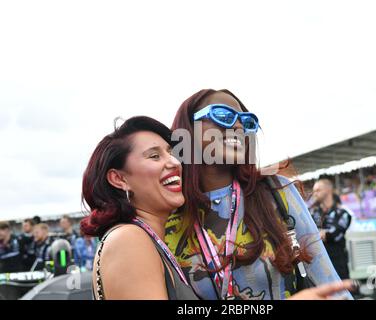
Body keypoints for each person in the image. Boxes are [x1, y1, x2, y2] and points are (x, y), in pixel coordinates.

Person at [166, 89, 354, 300]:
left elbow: (331, 288)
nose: (237, 127)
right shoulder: (167, 208)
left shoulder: (276, 192)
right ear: (188, 129)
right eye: (222, 115)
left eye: (246, 122)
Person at [80, 116, 198, 300]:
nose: (175, 163)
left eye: (171, 153)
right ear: (119, 179)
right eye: (154, 156)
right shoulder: (128, 240)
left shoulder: (142, 238)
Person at [311, 179, 352, 280]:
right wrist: (319, 234)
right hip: (317, 266)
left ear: (328, 190)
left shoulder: (342, 213)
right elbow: (305, 234)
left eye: (318, 190)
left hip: (337, 266)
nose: (314, 194)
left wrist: (315, 234)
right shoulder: (311, 213)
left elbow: (332, 235)